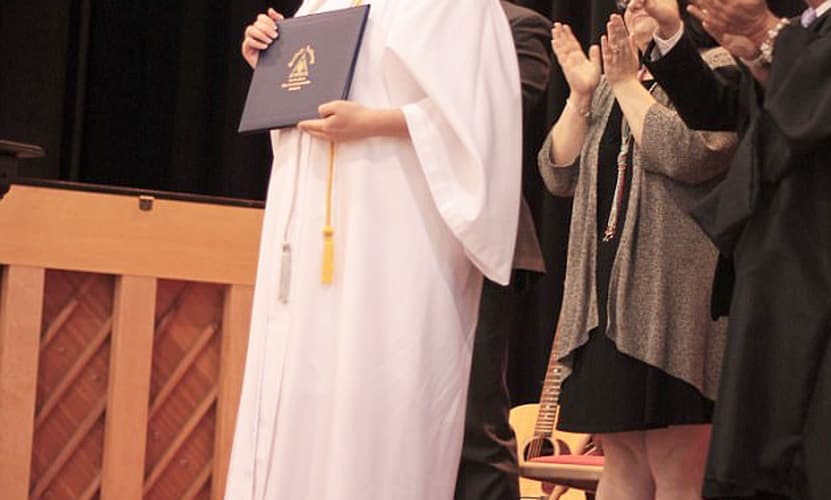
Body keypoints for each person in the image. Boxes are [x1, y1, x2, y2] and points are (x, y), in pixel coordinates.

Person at [225, 1, 523, 499]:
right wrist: (271, 60)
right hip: (315, 235)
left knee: (377, 409)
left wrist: (377, 122)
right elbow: (306, 91)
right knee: (302, 401)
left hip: (397, 237)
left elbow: (482, 119)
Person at [537, 1, 738, 498]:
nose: (633, 7)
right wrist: (581, 97)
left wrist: (626, 84)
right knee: (621, 462)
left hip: (672, 307)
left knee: (677, 464)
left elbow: (690, 153)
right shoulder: (613, 83)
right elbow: (557, 174)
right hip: (603, 310)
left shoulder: (715, 70)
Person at [640, 0, 831, 498]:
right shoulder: (805, 32)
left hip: (823, 271)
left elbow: (813, 113)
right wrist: (675, 35)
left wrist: (768, 36)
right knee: (758, 450)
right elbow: (725, 116)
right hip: (775, 270)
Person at [454, 2, 551, 499]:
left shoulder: (517, 26)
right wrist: (278, 56)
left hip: (476, 248)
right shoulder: (379, 22)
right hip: (386, 245)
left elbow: (495, 116)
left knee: (475, 422)